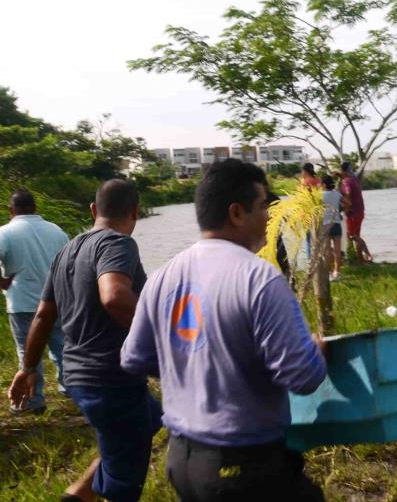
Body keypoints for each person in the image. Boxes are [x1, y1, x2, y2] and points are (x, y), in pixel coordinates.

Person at [120, 159, 327, 501]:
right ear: (236, 213)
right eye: (263, 206)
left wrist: (190, 366)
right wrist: (315, 354)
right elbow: (302, 377)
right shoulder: (259, 278)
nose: (269, 216)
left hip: (182, 462)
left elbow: (133, 358)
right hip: (243, 467)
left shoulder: (161, 277)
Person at [8, 179, 162, 502]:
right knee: (125, 484)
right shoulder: (118, 243)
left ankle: (79, 494)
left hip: (78, 378)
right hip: (111, 381)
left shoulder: (65, 252)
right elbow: (115, 297)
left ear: (93, 210)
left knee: (151, 417)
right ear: (135, 212)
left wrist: (28, 368)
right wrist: (167, 338)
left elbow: (42, 317)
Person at [0, 189, 68, 415]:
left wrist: (3, 282)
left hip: (22, 302)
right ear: (35, 207)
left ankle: (33, 401)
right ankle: (74, 390)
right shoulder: (56, 230)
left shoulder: (6, 232)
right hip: (56, 301)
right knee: (62, 349)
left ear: (11, 210)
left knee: (27, 353)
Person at [339, 161, 372, 263]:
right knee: (356, 235)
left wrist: (345, 207)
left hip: (353, 213)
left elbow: (348, 193)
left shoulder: (346, 181)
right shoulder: (354, 179)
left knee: (352, 236)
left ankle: (368, 255)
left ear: (343, 171)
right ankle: (360, 259)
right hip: (360, 211)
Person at [321, 174, 343, 281]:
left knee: (327, 250)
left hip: (326, 224)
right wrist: (340, 211)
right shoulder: (337, 194)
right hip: (337, 223)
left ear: (324, 184)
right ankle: (337, 272)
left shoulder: (320, 195)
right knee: (337, 250)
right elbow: (348, 203)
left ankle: (329, 273)